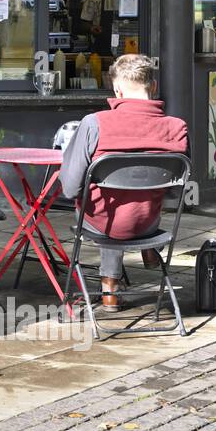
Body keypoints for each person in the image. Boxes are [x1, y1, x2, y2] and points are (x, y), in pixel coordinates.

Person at [58, 53, 188, 312]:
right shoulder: (177, 127)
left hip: (102, 224)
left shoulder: (95, 123)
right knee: (133, 201)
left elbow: (71, 188)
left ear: (116, 89)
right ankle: (149, 250)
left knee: (102, 204)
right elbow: (174, 192)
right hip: (149, 224)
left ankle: (109, 292)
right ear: (153, 86)